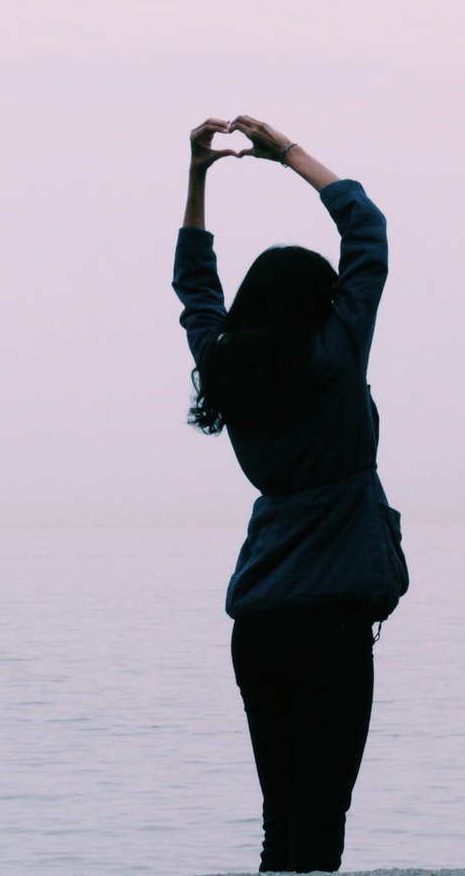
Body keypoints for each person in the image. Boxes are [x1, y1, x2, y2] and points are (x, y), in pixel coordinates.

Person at [173, 115, 409, 875]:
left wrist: (198, 174)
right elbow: (366, 229)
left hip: (259, 624)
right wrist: (287, 156)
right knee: (319, 830)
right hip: (332, 625)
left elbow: (196, 288)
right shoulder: (334, 360)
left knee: (282, 827)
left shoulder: (226, 366)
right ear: (322, 303)